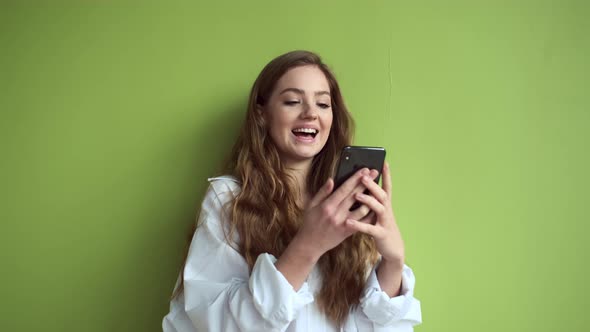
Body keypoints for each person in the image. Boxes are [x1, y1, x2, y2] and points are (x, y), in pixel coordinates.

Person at [162, 50, 422, 332]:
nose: (310, 113)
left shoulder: (345, 202)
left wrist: (393, 261)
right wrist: (309, 245)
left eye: (323, 104)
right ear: (262, 114)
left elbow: (367, 325)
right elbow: (214, 323)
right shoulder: (229, 199)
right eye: (293, 101)